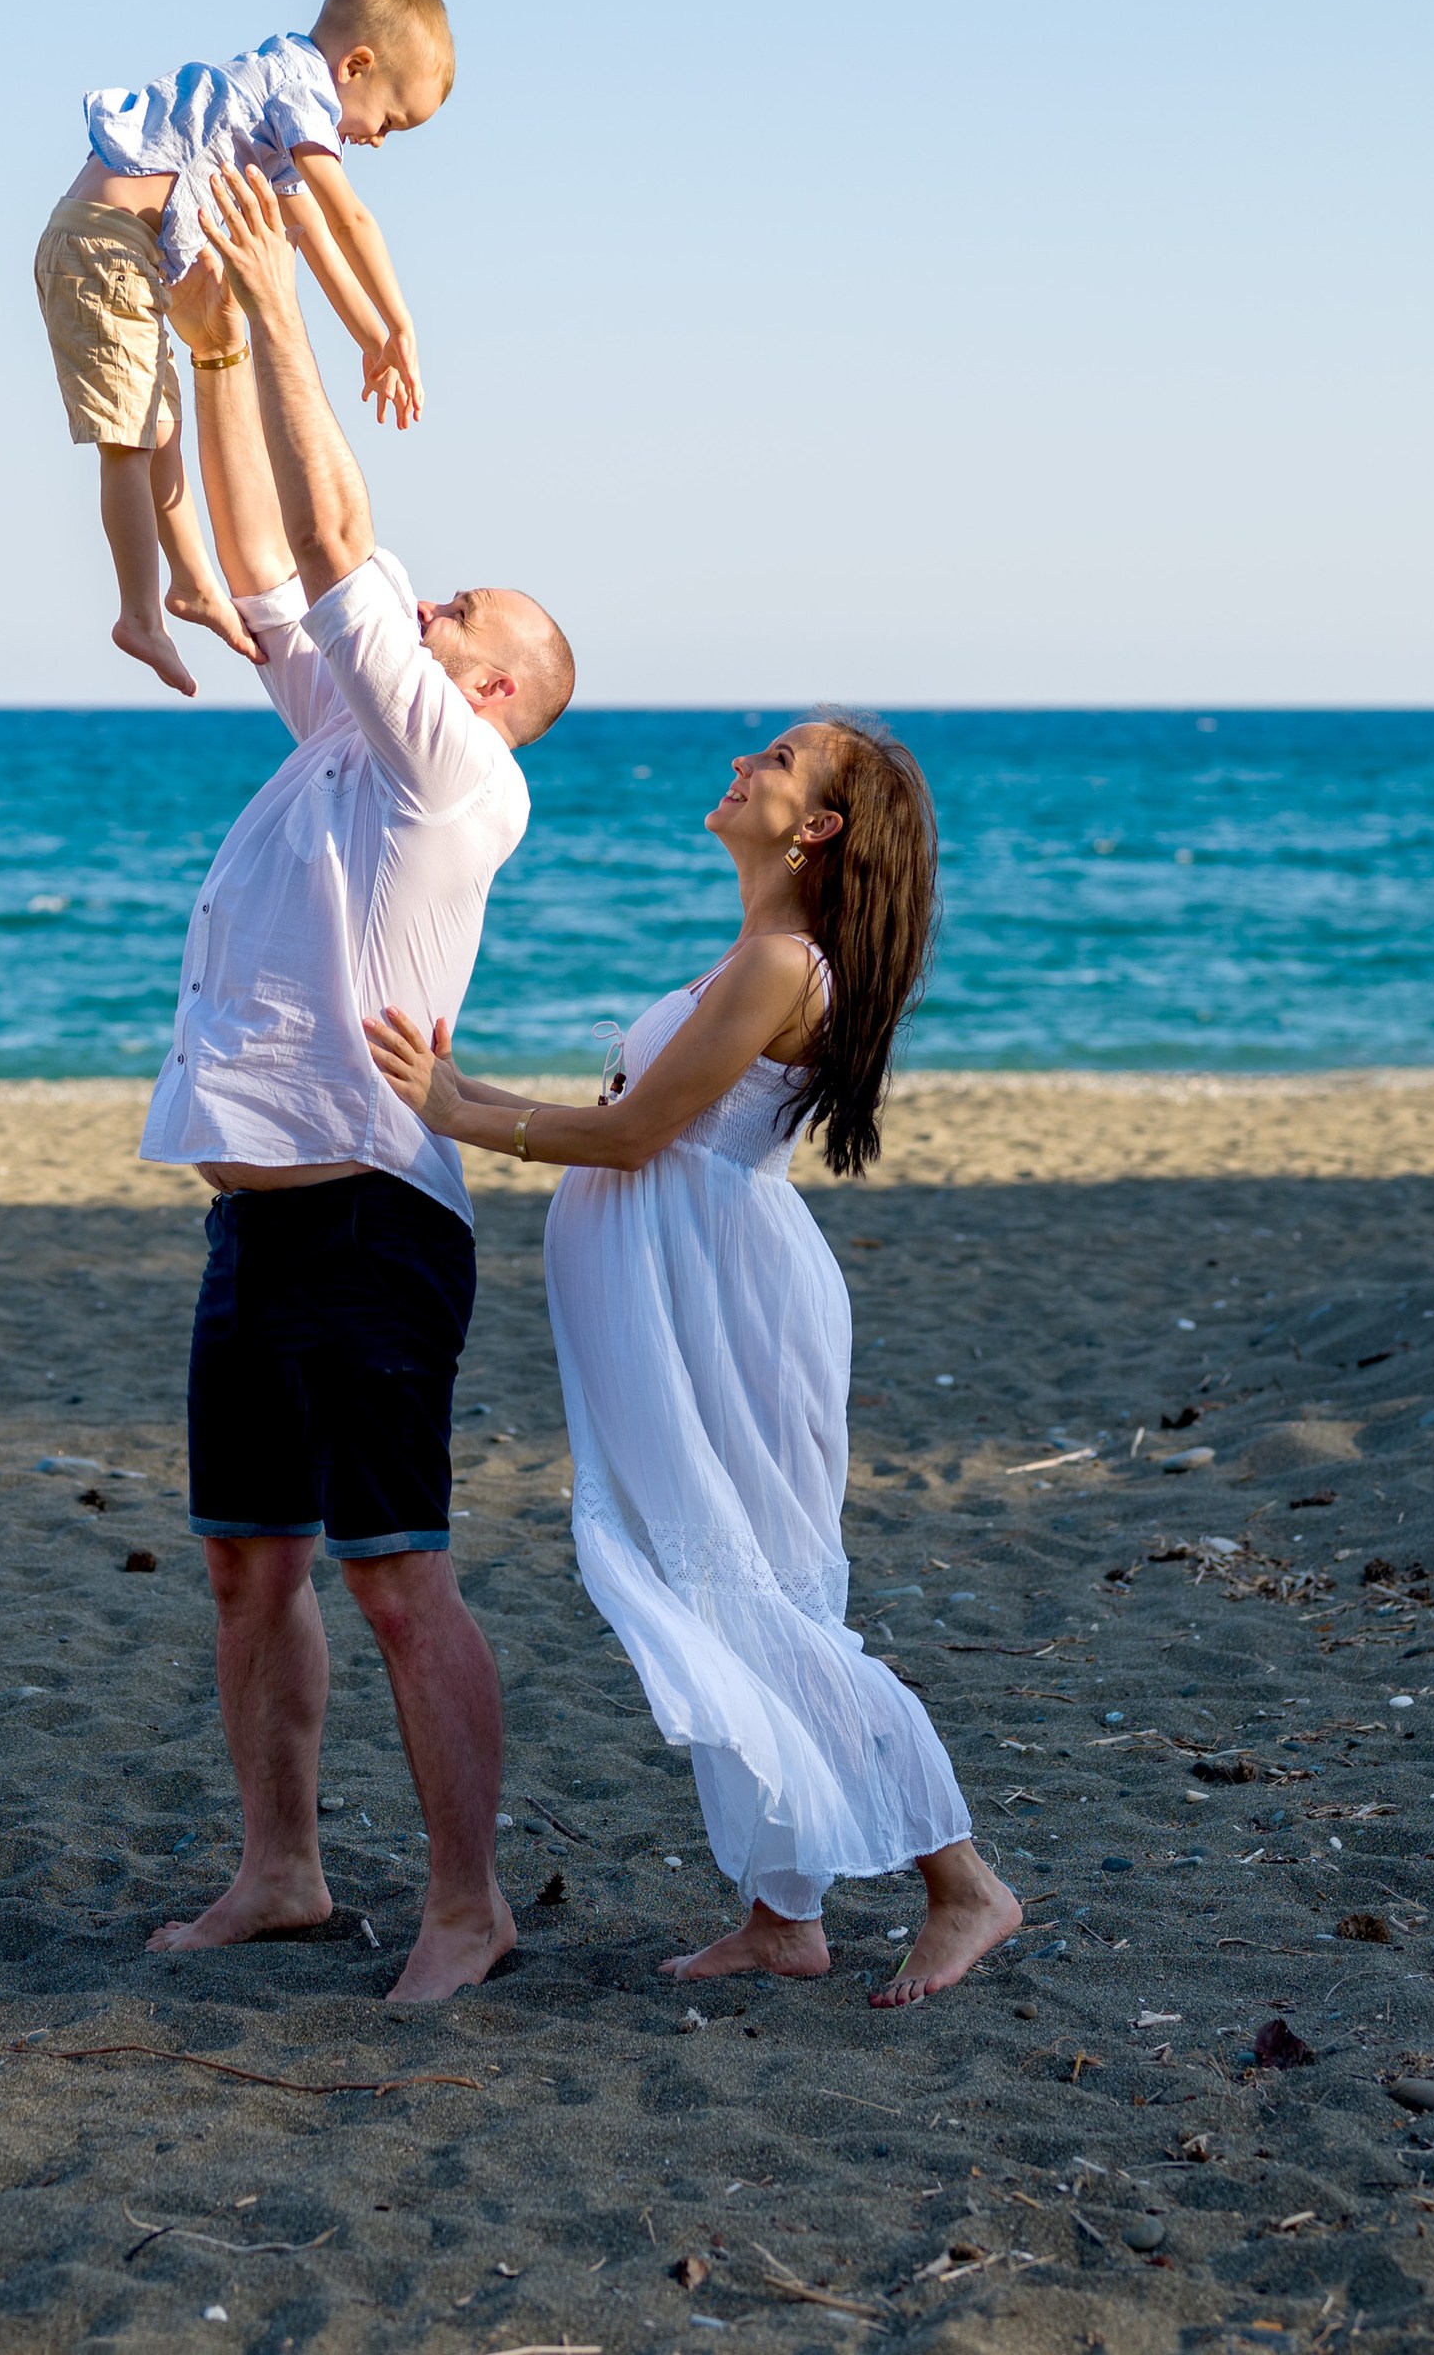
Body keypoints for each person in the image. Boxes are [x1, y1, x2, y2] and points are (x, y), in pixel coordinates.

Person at [365, 717, 1023, 2004]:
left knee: (750, 1594)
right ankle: (784, 1916)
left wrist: (459, 1114)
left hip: (717, 1301)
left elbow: (632, 1137)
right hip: (682, 1292)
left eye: (778, 759)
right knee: (737, 1580)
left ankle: (964, 1882)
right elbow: (628, 1126)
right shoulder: (755, 957)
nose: (745, 762)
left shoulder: (780, 961)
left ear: (816, 827)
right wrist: (458, 1096)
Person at [138, 163, 575, 2004]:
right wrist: (222, 343)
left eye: (455, 610)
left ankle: (466, 1907)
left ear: (489, 686)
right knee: (253, 1570)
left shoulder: (459, 778)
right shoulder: (350, 737)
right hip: (259, 1220)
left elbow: (333, 540)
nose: (424, 602)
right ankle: (286, 1876)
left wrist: (296, 319)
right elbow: (263, 563)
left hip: (379, 1219)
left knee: (398, 1578)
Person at [35, 0, 453, 699]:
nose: (378, 141)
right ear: (355, 66)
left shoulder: (278, 107)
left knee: (157, 429)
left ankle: (192, 584)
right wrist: (402, 322)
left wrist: (371, 341)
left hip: (119, 252)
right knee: (131, 440)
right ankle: (139, 611)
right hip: (100, 246)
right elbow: (348, 219)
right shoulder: (300, 92)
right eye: (389, 119)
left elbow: (311, 236)